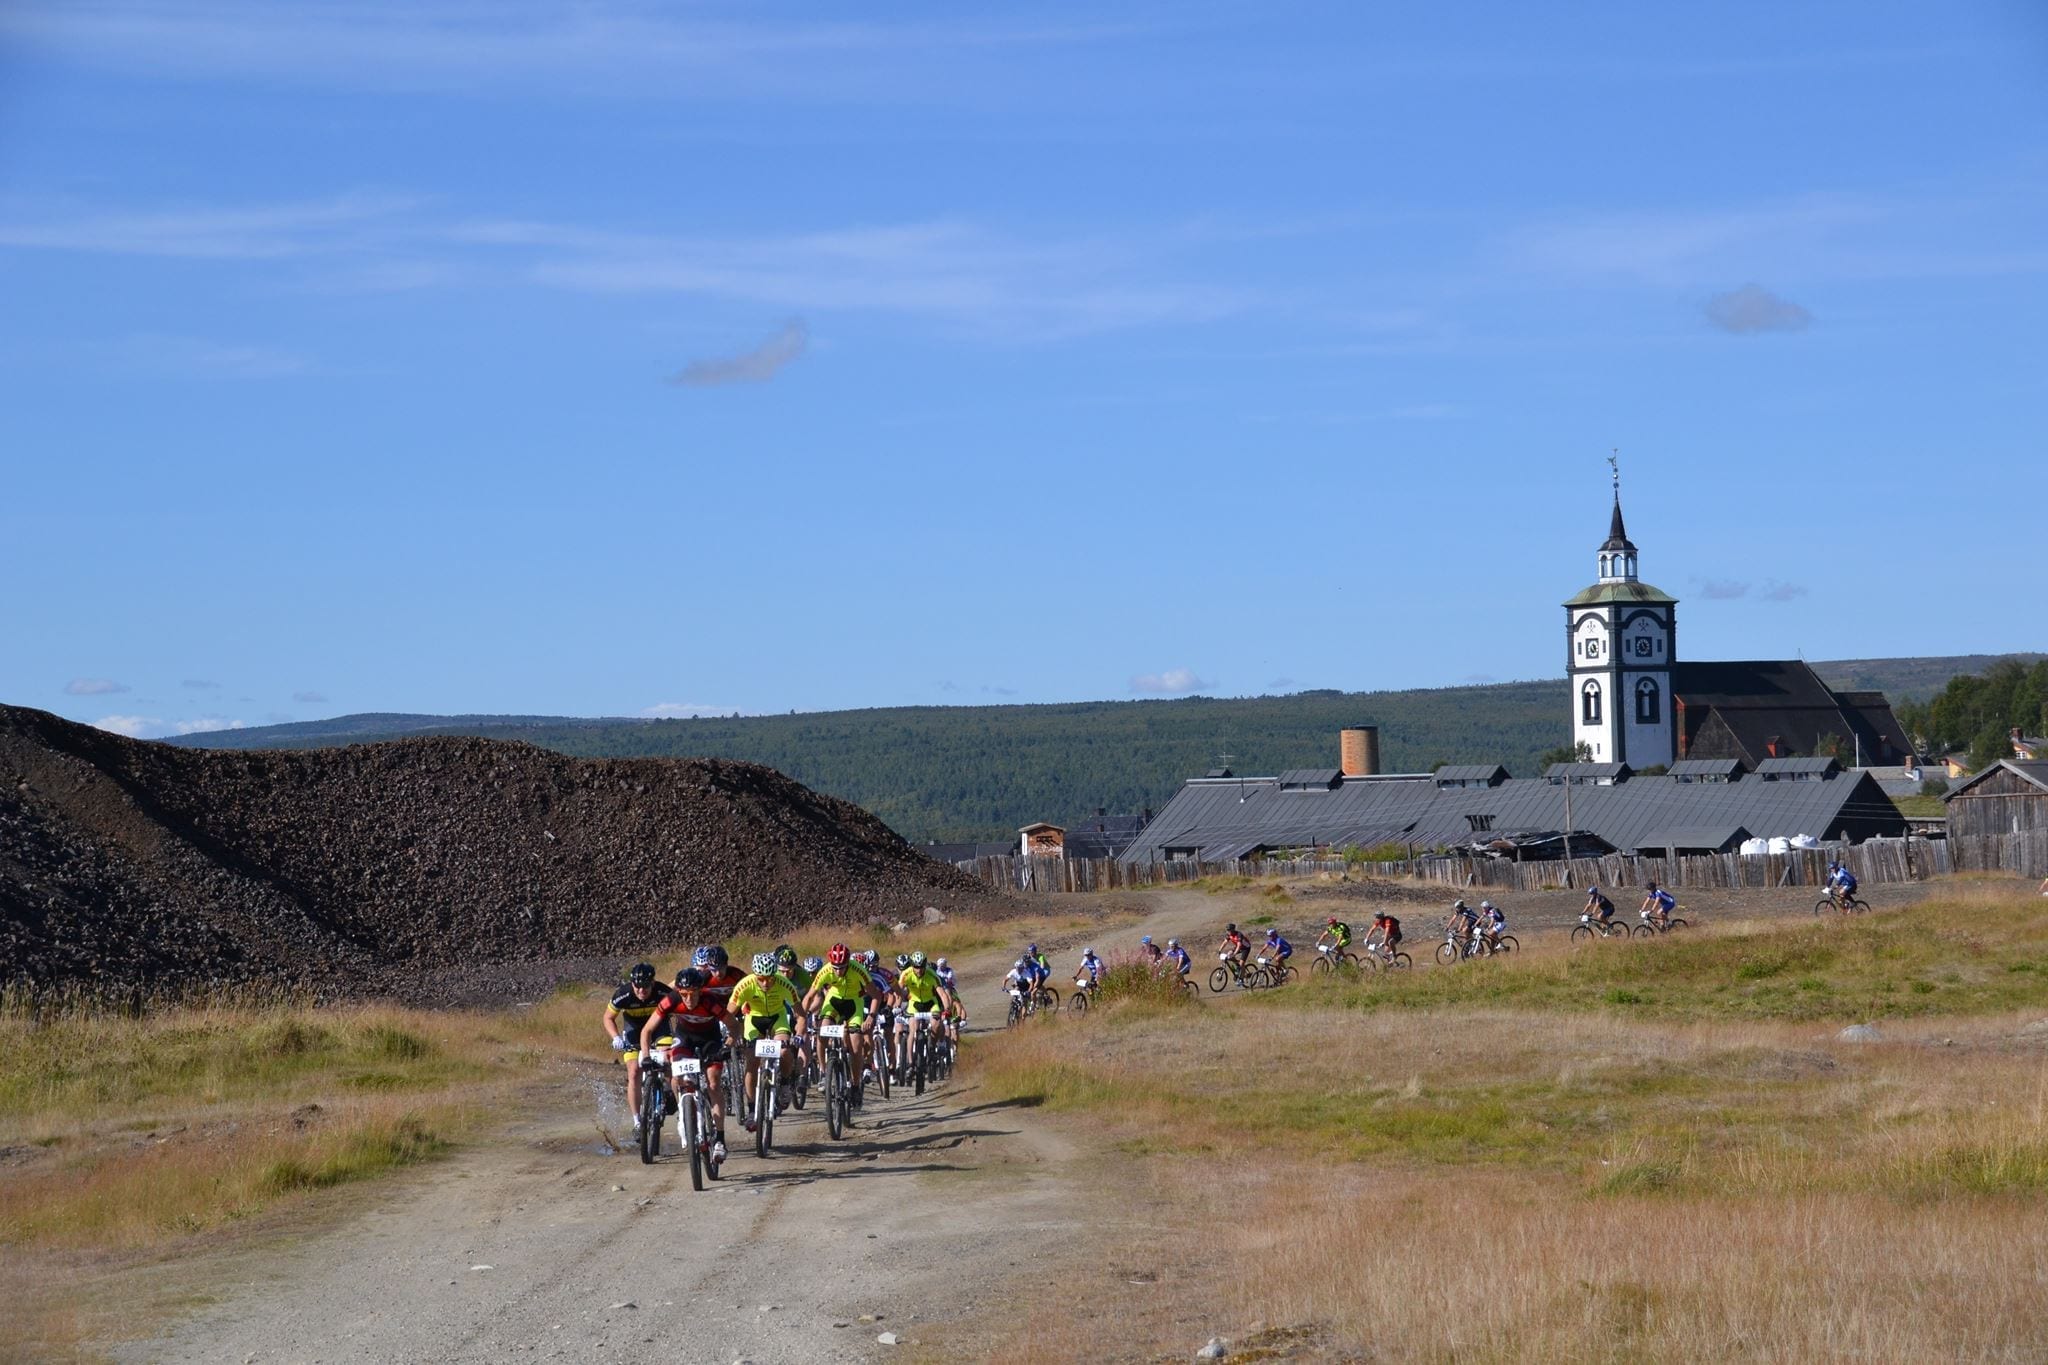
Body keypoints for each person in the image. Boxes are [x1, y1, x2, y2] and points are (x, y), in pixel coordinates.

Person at [642, 968, 730, 1162]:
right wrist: (647, 1056)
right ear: (679, 992)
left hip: (710, 1040)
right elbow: (647, 1030)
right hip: (685, 1039)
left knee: (714, 1082)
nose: (688, 999)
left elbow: (734, 1026)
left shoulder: (711, 1002)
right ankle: (684, 1112)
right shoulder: (671, 1000)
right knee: (677, 1077)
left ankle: (720, 1139)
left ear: (700, 991)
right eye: (684, 995)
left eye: (692, 994)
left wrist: (728, 1045)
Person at [728, 952, 804, 1130]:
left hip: (778, 1018)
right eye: (761, 979)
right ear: (755, 975)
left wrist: (798, 1035)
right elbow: (728, 1013)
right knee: (752, 1062)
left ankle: (785, 1083)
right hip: (754, 1019)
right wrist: (730, 1032)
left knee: (784, 1051)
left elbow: (801, 1015)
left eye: (770, 979)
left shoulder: (784, 983)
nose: (765, 983)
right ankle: (753, 1109)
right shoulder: (744, 985)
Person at [802, 943, 882, 1096]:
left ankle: (856, 1084)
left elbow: (876, 996)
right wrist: (802, 1018)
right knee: (822, 1032)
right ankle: (824, 1073)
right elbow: (809, 997)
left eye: (842, 967)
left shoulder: (858, 969)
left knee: (856, 1046)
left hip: (853, 1004)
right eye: (835, 967)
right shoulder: (825, 970)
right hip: (833, 1003)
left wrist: (871, 1017)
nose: (838, 971)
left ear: (848, 964)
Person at [603, 963, 672, 1136]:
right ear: (632, 984)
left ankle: (669, 1090)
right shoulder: (623, 994)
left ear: (653, 983)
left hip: (659, 1028)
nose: (641, 990)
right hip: (633, 1030)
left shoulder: (663, 992)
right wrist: (616, 1037)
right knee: (634, 1072)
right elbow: (608, 1017)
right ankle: (637, 1121)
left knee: (667, 1059)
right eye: (637, 986)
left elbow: (680, 1011)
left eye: (646, 986)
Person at [895, 951, 958, 1074]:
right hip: (914, 1003)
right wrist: (897, 1006)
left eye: (921, 967)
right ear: (912, 965)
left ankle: (933, 1046)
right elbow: (898, 992)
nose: (919, 970)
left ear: (925, 965)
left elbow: (943, 995)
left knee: (936, 1024)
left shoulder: (932, 975)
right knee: (912, 1030)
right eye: (916, 967)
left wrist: (946, 1010)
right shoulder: (905, 974)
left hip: (930, 1003)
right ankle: (910, 1063)